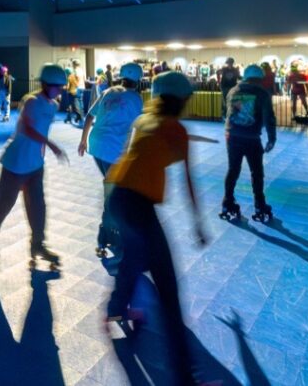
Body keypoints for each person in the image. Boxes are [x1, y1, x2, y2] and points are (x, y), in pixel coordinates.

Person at [104, 71, 206, 384]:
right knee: (168, 287)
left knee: (134, 260)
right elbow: (187, 178)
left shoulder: (144, 121)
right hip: (137, 205)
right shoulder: (175, 129)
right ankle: (184, 376)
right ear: (183, 99)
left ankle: (115, 309)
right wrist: (197, 222)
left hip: (116, 196)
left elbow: (139, 157)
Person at [0, 63, 69, 268]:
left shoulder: (53, 105)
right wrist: (52, 145)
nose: (60, 90)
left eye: (62, 87)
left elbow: (42, 131)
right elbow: (27, 128)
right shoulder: (32, 101)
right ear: (46, 84)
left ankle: (38, 244)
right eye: (57, 86)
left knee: (38, 206)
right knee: (3, 205)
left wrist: (43, 153)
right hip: (15, 162)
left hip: (35, 164)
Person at [77, 62, 144, 261]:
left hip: (96, 146)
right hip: (114, 150)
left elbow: (90, 115)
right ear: (138, 81)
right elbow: (138, 127)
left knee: (113, 187)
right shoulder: (135, 98)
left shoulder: (109, 92)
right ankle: (106, 234)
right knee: (114, 192)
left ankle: (111, 230)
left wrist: (83, 141)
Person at [221, 65, 277, 222]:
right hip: (251, 137)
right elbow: (269, 117)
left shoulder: (232, 91)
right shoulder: (261, 92)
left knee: (233, 170)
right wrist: (272, 137)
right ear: (259, 78)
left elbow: (228, 111)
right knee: (257, 172)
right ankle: (260, 204)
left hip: (232, 136)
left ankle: (227, 202)